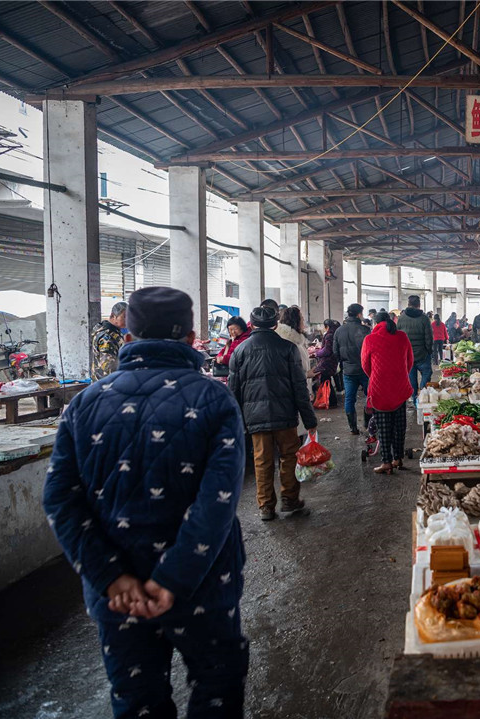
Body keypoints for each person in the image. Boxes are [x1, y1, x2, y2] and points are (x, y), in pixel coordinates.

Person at [43, 287, 248, 718]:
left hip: (118, 599)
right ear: (193, 338)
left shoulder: (84, 404)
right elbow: (218, 503)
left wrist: (111, 577)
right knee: (216, 688)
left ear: (129, 337)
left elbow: (60, 500)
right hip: (202, 588)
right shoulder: (214, 400)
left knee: (138, 702)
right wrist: (172, 580)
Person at [228, 305, 317, 521]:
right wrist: (309, 418)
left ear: (252, 324)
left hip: (255, 417)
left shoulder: (239, 351)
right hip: (285, 415)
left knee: (262, 460)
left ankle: (266, 506)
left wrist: (237, 421)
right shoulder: (287, 348)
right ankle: (290, 499)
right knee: (288, 457)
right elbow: (299, 387)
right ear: (275, 324)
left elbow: (233, 390)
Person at [361, 311, 414, 474]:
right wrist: (400, 375)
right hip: (400, 386)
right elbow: (409, 361)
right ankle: (397, 458)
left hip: (379, 388)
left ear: (375, 324)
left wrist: (376, 376)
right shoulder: (402, 336)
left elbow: (365, 365)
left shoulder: (370, 339)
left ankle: (386, 462)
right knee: (399, 425)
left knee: (384, 427)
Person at [334, 304, 372, 435]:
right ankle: (368, 424)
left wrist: (344, 363)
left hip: (348, 371)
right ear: (359, 314)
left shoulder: (339, 331)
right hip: (365, 370)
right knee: (370, 397)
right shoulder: (366, 330)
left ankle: (353, 428)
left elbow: (335, 352)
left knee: (349, 399)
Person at [396, 295, 434, 404]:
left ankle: (414, 400)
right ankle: (423, 392)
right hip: (422, 354)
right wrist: (429, 350)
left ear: (408, 304)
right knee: (427, 373)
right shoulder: (424, 318)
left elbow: (398, 336)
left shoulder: (401, 318)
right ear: (419, 305)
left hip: (408, 356)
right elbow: (429, 337)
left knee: (411, 379)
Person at [276, 306, 313, 411]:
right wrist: (307, 374)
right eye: (301, 318)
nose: (303, 322)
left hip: (300, 389)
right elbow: (288, 372)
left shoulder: (297, 340)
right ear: (295, 321)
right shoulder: (289, 344)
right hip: (292, 393)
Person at [90, 302, 127, 380]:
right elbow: (108, 367)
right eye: (124, 317)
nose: (128, 320)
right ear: (113, 316)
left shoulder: (114, 332)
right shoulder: (108, 338)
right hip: (105, 384)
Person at [314, 319, 342, 409]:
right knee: (327, 381)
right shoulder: (336, 334)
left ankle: (330, 401)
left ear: (327, 327)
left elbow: (327, 350)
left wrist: (316, 353)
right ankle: (330, 401)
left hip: (327, 362)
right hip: (333, 361)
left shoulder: (329, 335)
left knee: (325, 381)